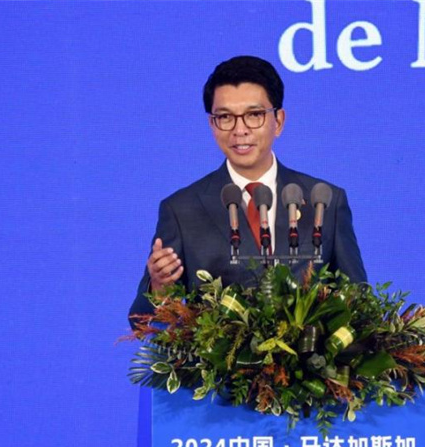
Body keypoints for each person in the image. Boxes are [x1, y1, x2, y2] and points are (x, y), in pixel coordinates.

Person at [129, 56, 366, 321]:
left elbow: (359, 305)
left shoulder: (323, 200)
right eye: (225, 117)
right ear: (212, 125)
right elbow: (141, 321)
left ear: (278, 121)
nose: (240, 130)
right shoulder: (182, 210)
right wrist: (160, 289)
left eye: (254, 115)